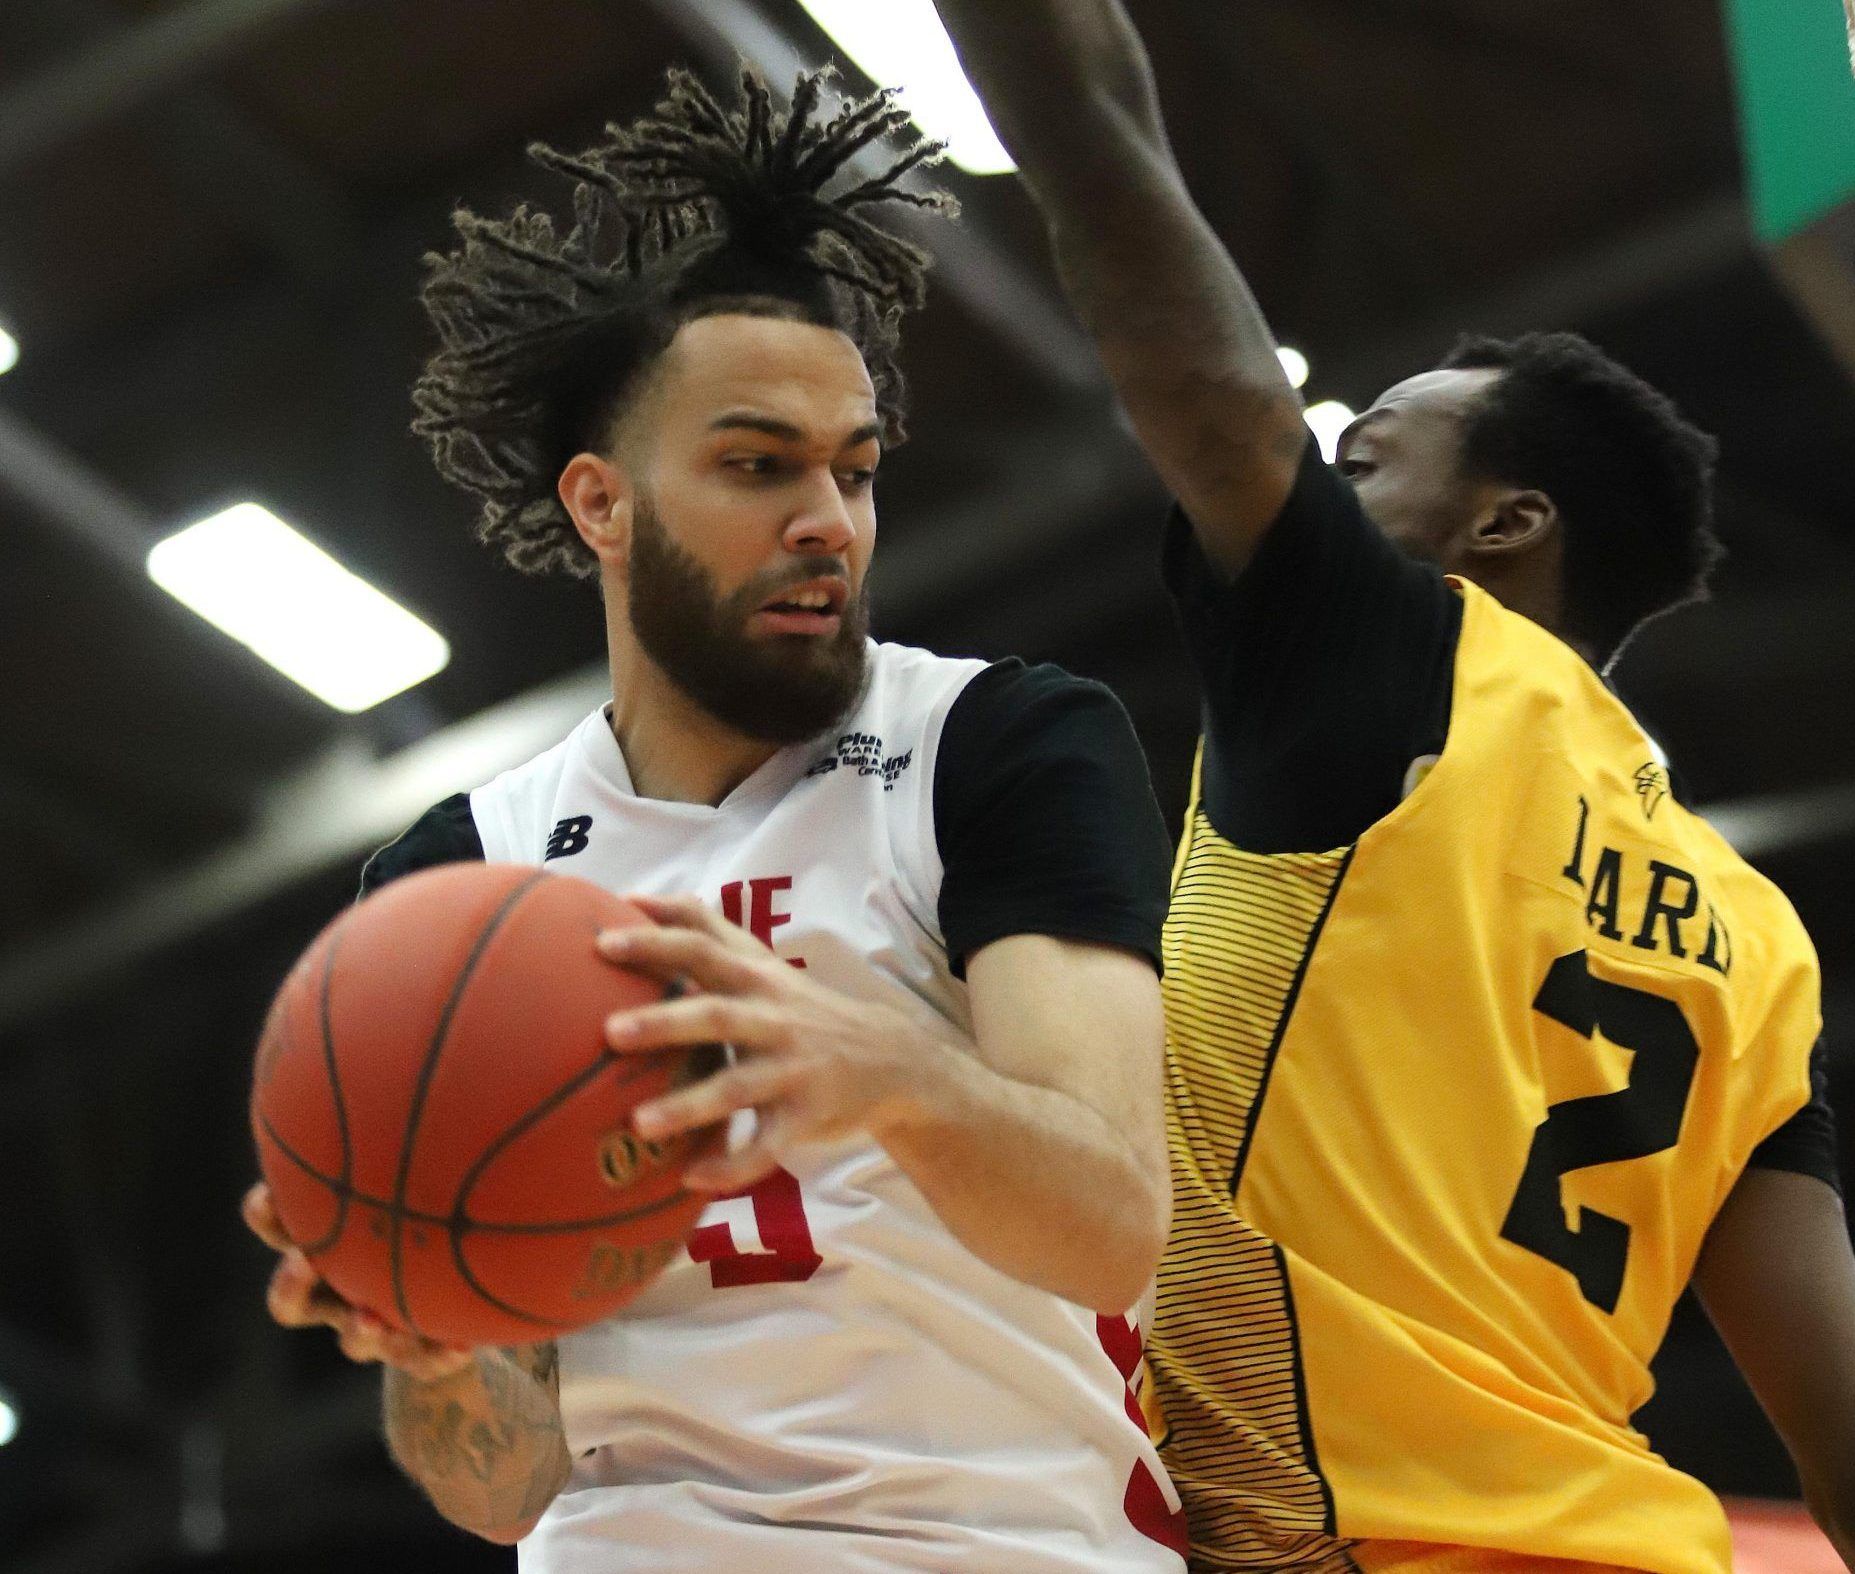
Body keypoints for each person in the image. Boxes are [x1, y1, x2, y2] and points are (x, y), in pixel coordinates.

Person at [931, 4, 1855, 1572]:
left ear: (1501, 528)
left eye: (1363, 459)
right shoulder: (1756, 942)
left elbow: (1165, 288)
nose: (1318, 478)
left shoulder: (1407, 660)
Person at [241, 67, 1190, 1571]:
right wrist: (424, 1339)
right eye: (758, 464)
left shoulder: (996, 742)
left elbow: (1117, 1218)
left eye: (855, 468)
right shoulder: (460, 873)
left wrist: (887, 1069)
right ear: (602, 505)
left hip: (995, 1540)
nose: (830, 516)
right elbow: (499, 1484)